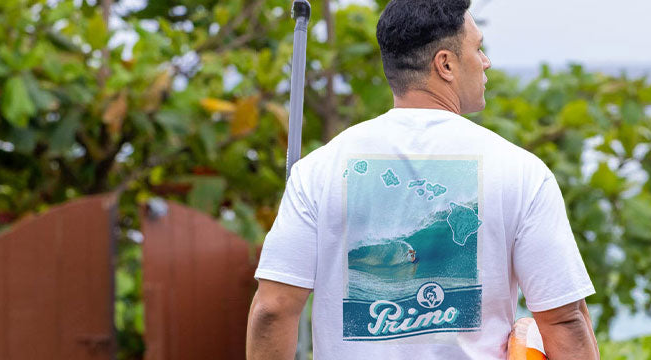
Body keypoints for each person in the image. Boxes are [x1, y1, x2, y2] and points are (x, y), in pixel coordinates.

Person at [244, 0, 599, 358]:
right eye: (478, 49)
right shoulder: (521, 171)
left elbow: (273, 308)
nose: (485, 61)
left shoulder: (318, 170)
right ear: (445, 64)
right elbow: (563, 319)